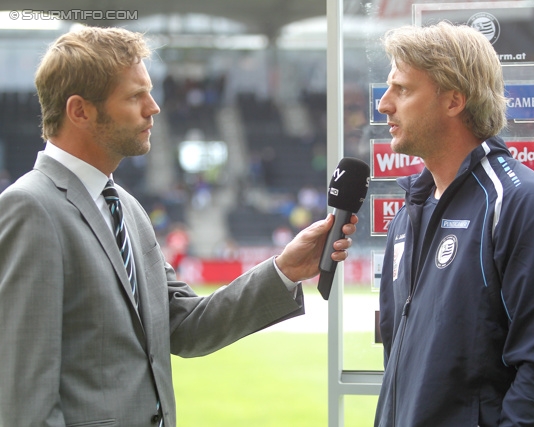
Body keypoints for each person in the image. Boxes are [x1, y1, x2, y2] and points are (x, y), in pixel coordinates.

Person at [0, 26, 357, 427]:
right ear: (80, 111)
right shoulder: (30, 208)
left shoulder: (127, 209)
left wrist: (285, 270)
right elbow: (25, 404)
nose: (153, 107)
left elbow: (186, 325)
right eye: (136, 96)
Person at [374, 22, 534, 426]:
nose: (384, 104)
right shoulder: (408, 214)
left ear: (454, 100)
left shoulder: (524, 204)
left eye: (402, 89)